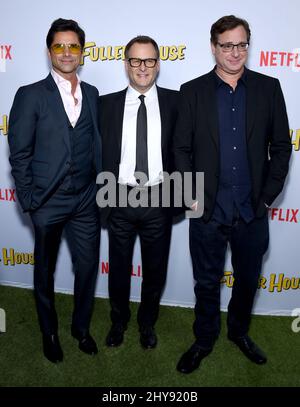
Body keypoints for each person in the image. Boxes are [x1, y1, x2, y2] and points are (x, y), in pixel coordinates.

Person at [174, 15, 291, 374]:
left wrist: (268, 197)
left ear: (247, 46)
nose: (235, 52)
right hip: (207, 208)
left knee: (247, 280)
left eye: (241, 44)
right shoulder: (192, 91)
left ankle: (238, 332)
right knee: (206, 281)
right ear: (214, 47)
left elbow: (282, 147)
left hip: (253, 209)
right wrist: (190, 196)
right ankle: (204, 338)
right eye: (227, 45)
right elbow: (181, 149)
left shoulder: (269, 88)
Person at [8, 18, 101, 363]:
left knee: (88, 266)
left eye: (73, 45)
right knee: (44, 270)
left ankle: (81, 328)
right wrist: (29, 200)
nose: (66, 52)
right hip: (47, 201)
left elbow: (95, 145)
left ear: (82, 51)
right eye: (59, 46)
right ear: (50, 51)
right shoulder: (31, 94)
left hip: (86, 199)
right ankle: (49, 331)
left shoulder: (91, 94)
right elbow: (19, 154)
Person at [99, 36, 178, 349]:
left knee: (155, 270)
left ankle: (147, 324)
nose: (142, 67)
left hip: (159, 197)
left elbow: (187, 150)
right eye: (135, 60)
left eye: (148, 61)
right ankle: (118, 322)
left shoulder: (177, 102)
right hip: (118, 196)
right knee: (118, 269)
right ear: (126, 64)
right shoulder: (105, 104)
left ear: (157, 64)